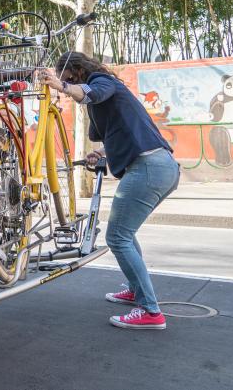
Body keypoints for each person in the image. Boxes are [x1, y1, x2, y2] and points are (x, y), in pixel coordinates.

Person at [39, 51, 180, 330]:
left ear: (77, 72)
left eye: (66, 77)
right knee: (126, 234)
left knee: (117, 237)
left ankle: (150, 311)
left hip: (149, 168)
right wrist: (102, 151)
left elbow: (93, 92)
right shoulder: (111, 99)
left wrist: (61, 87)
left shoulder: (103, 81)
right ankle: (135, 289)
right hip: (159, 165)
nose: (65, 87)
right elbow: (123, 130)